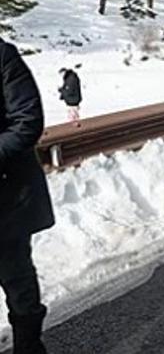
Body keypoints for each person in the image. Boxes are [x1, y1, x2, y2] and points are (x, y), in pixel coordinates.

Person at [0, 38, 54, 354]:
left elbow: (28, 121)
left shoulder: (3, 56)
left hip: (7, 198)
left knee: (18, 283)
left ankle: (29, 348)